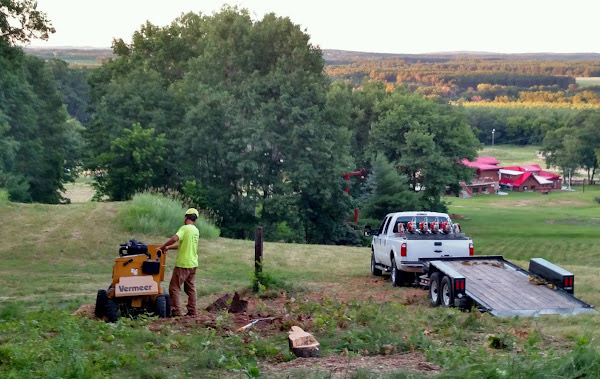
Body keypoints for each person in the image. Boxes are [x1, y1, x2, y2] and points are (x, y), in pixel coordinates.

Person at [159, 208, 200, 317]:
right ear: (195, 220)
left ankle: (176, 313)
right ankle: (192, 311)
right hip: (193, 263)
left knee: (174, 287)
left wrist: (162, 247)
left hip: (183, 264)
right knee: (190, 288)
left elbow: (174, 238)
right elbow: (183, 244)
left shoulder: (185, 228)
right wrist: (169, 248)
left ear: (186, 217)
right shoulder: (196, 230)